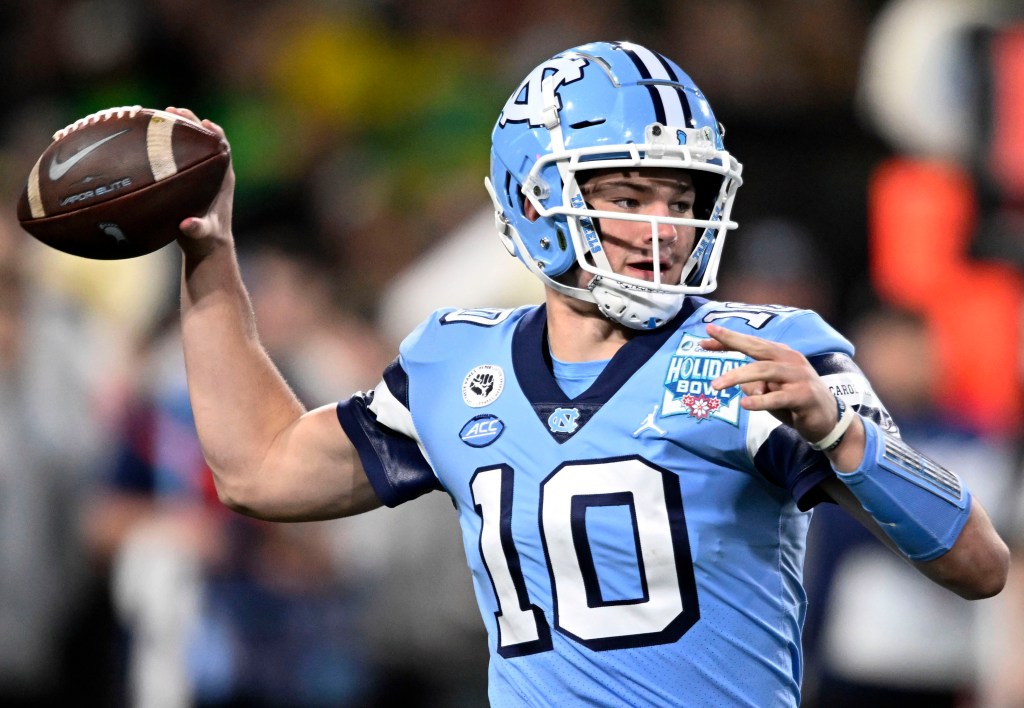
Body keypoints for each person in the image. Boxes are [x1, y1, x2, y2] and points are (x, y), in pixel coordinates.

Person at [168, 41, 1010, 707]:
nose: (664, 229)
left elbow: (979, 565)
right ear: (534, 203)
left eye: (681, 201)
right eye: (630, 196)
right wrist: (212, 256)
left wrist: (841, 430)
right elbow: (262, 468)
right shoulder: (458, 361)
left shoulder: (760, 350)